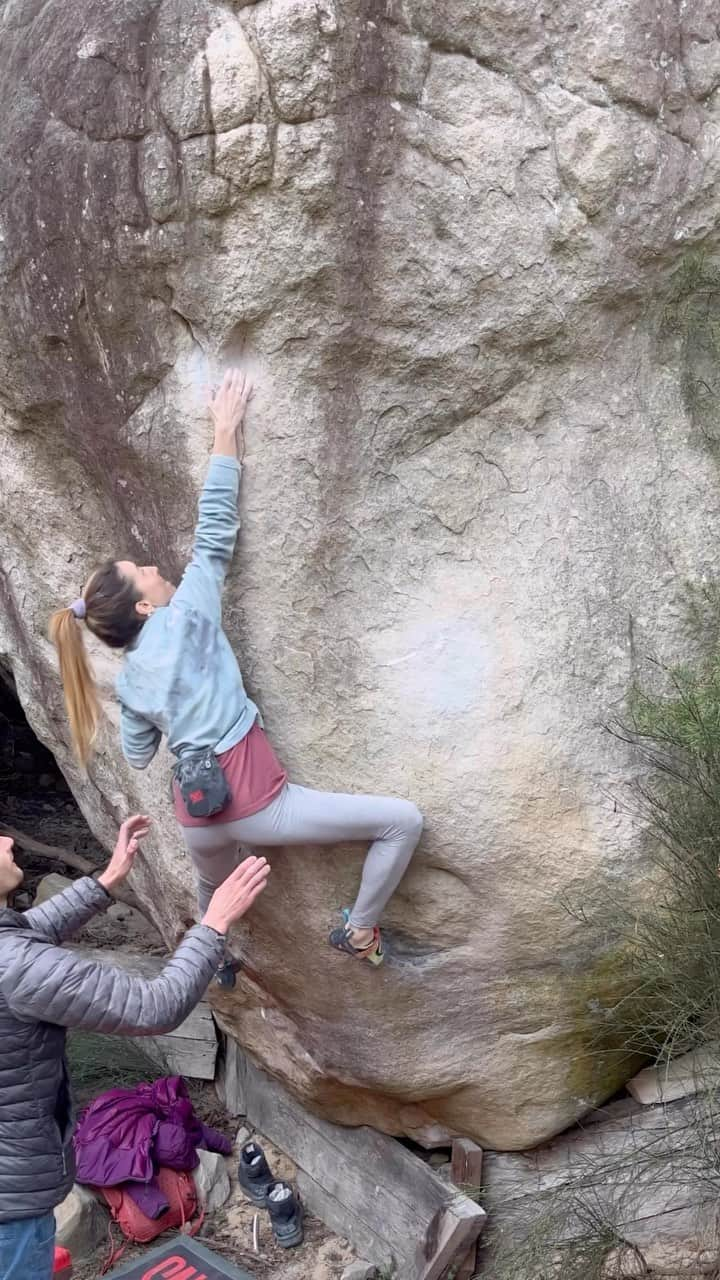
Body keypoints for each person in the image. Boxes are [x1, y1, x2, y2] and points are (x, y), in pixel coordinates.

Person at [49, 369, 423, 985]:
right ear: (147, 606)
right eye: (142, 571)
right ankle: (357, 929)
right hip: (258, 803)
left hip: (198, 814)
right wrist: (226, 430)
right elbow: (214, 531)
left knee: (209, 882)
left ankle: (213, 959)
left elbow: (141, 756)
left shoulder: (131, 680)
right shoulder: (187, 612)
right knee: (401, 820)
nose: (152, 566)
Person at [0, 816, 269, 1280]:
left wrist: (106, 881)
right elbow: (152, 1007)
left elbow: (25, 932)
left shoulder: (13, 951)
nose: (7, 840)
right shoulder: (17, 966)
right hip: (12, 1204)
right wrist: (213, 925)